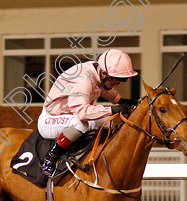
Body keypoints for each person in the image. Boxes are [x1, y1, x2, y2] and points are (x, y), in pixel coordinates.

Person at [37, 49, 138, 177]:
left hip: (70, 115)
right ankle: (50, 159)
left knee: (108, 122)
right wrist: (112, 109)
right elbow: (82, 112)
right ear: (103, 73)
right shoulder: (83, 79)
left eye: (121, 80)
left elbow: (103, 88)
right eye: (116, 79)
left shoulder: (96, 72)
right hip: (51, 118)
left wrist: (120, 100)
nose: (117, 83)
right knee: (80, 124)